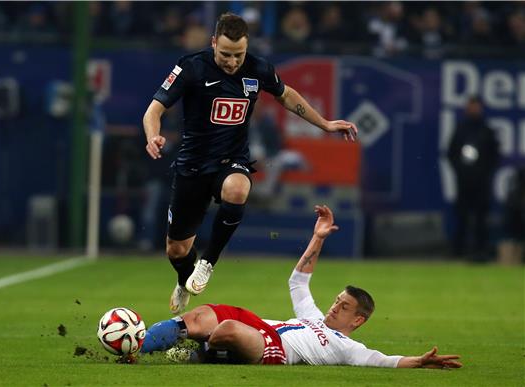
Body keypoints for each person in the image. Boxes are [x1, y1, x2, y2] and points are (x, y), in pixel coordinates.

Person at [143, 12, 358, 315]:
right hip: (192, 166)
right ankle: (183, 280)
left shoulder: (258, 69)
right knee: (176, 250)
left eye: (238, 55)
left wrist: (323, 124)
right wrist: (153, 137)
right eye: (226, 54)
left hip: (232, 161)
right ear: (214, 42)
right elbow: (153, 110)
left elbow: (286, 95)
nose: (232, 62)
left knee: (238, 189)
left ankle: (208, 263)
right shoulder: (191, 66)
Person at [138, 205, 462, 368]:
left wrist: (418, 361)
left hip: (273, 350)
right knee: (201, 315)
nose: (335, 306)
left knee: (227, 329)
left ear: (358, 320)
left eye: (344, 306)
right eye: (337, 300)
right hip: (262, 326)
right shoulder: (313, 317)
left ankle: (198, 355)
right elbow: (299, 280)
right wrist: (317, 238)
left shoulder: (346, 348)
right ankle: (136, 346)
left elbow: (384, 360)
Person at [447, 96, 499, 262]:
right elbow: (451, 154)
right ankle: (459, 251)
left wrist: (484, 174)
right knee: (462, 217)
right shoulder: (461, 129)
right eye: (472, 106)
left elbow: (494, 157)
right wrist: (461, 172)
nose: (474, 109)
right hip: (464, 182)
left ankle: (480, 251)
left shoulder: (487, 130)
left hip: (481, 183)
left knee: (481, 219)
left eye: (477, 106)